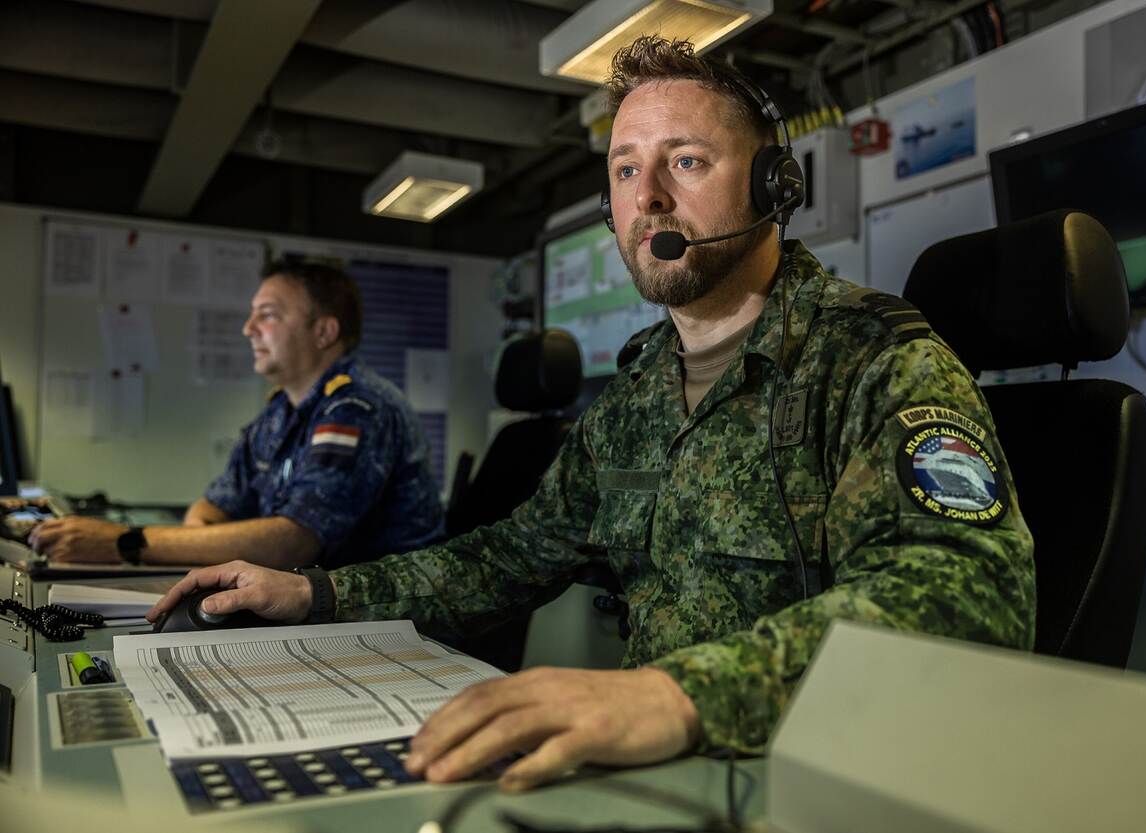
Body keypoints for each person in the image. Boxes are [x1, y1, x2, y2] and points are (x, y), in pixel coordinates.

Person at [148, 37, 1035, 791]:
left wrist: (675, 695)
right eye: (625, 169)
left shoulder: (874, 361)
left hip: (814, 779)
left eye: (686, 161)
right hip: (658, 779)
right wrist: (318, 591)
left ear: (773, 186)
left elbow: (968, 595)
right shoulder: (635, 395)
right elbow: (512, 556)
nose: (647, 198)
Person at [31, 259, 444, 569]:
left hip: (385, 618)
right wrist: (198, 544)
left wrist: (124, 542)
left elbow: (296, 542)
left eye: (268, 315)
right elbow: (212, 507)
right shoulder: (281, 411)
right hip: (315, 603)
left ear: (323, 332)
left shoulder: (357, 408)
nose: (248, 328)